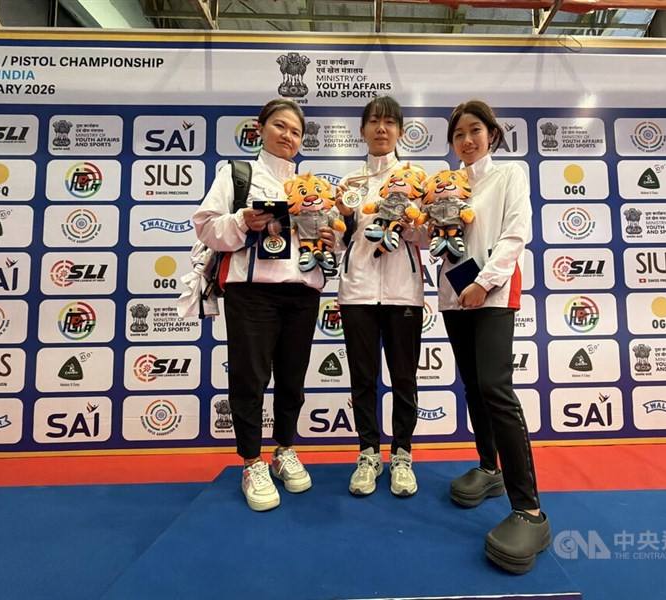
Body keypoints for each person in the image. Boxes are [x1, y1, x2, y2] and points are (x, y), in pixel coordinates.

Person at [193, 99, 334, 512]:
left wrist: (331, 243)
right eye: (280, 126)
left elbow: (328, 241)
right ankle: (252, 461)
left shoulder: (312, 184)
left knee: (292, 379)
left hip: (302, 292)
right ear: (260, 127)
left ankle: (285, 449)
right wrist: (241, 221)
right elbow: (205, 226)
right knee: (249, 378)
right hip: (251, 292)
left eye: (295, 131)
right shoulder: (237, 174)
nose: (288, 136)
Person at [441, 99, 550, 574]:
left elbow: (515, 234)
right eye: (459, 134)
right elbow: (435, 240)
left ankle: (530, 509)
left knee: (494, 388)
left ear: (491, 135)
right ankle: (489, 468)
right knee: (472, 386)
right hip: (452, 295)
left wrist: (482, 282)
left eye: (475, 131)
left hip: (491, 294)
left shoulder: (509, 176)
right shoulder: (442, 186)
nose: (467, 140)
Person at [334, 96, 425, 497]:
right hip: (357, 293)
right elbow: (337, 244)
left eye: (389, 122)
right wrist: (338, 220)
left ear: (401, 131)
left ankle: (402, 455)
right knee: (363, 380)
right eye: (374, 121)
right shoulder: (348, 184)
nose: (382, 129)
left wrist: (409, 224)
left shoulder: (418, 180)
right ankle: (368, 454)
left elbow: (427, 237)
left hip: (403, 292)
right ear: (362, 130)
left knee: (405, 379)